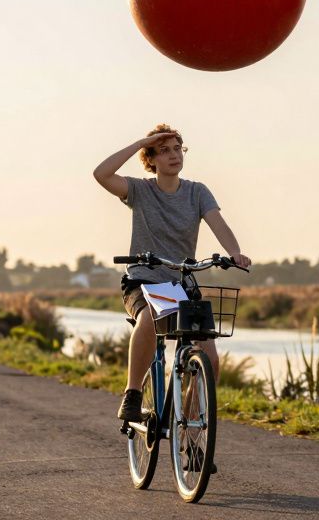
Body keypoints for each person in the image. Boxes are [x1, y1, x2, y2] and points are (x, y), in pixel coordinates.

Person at [93, 123, 252, 423]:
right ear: (150, 159)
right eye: (163, 150)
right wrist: (141, 141)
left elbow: (218, 223)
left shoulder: (197, 192)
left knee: (211, 360)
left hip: (181, 283)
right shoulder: (140, 190)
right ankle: (132, 395)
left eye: (177, 148)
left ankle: (190, 427)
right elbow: (101, 174)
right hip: (144, 279)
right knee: (150, 319)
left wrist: (235, 252)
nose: (173, 155)